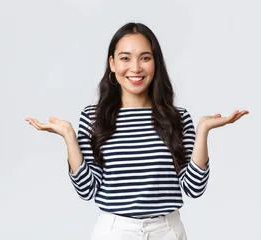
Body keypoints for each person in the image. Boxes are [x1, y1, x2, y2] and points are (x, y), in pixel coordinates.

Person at [25, 22, 249, 240]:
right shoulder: (94, 117)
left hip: (167, 231)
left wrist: (202, 131)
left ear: (155, 63)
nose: (136, 68)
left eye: (145, 58)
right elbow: (86, 189)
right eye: (125, 58)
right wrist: (69, 137)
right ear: (112, 64)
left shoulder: (178, 118)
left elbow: (194, 187)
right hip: (114, 231)